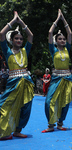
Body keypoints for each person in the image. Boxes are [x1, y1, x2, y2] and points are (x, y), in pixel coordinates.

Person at [0, 11, 34, 140]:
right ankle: (4, 131)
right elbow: (1, 34)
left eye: (20, 38)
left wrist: (22, 23)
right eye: (16, 38)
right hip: (12, 83)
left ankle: (18, 131)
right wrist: (14, 20)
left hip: (26, 82)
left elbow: (30, 36)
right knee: (4, 105)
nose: (19, 40)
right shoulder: (7, 51)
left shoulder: (25, 50)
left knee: (25, 108)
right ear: (11, 40)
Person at [42, 9, 72, 133]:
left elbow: (70, 34)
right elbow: (50, 32)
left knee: (65, 101)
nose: (63, 40)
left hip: (67, 78)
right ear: (56, 41)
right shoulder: (53, 50)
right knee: (49, 100)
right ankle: (50, 124)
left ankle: (60, 123)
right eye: (60, 39)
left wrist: (64, 19)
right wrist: (57, 19)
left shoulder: (67, 49)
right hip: (55, 78)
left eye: (63, 39)